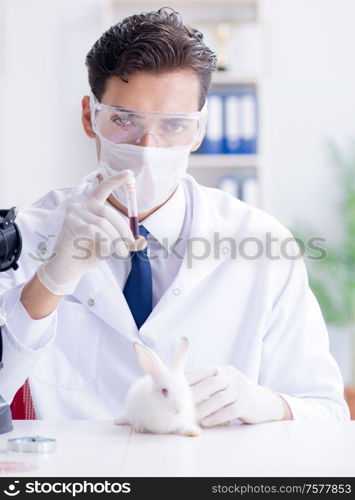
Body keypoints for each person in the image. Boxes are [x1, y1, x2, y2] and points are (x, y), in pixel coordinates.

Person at [0, 7, 349, 424]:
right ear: (89, 116)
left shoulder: (262, 242)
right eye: (124, 120)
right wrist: (49, 282)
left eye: (174, 126)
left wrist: (269, 405)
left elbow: (328, 412)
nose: (148, 146)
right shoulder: (25, 235)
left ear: (200, 129)